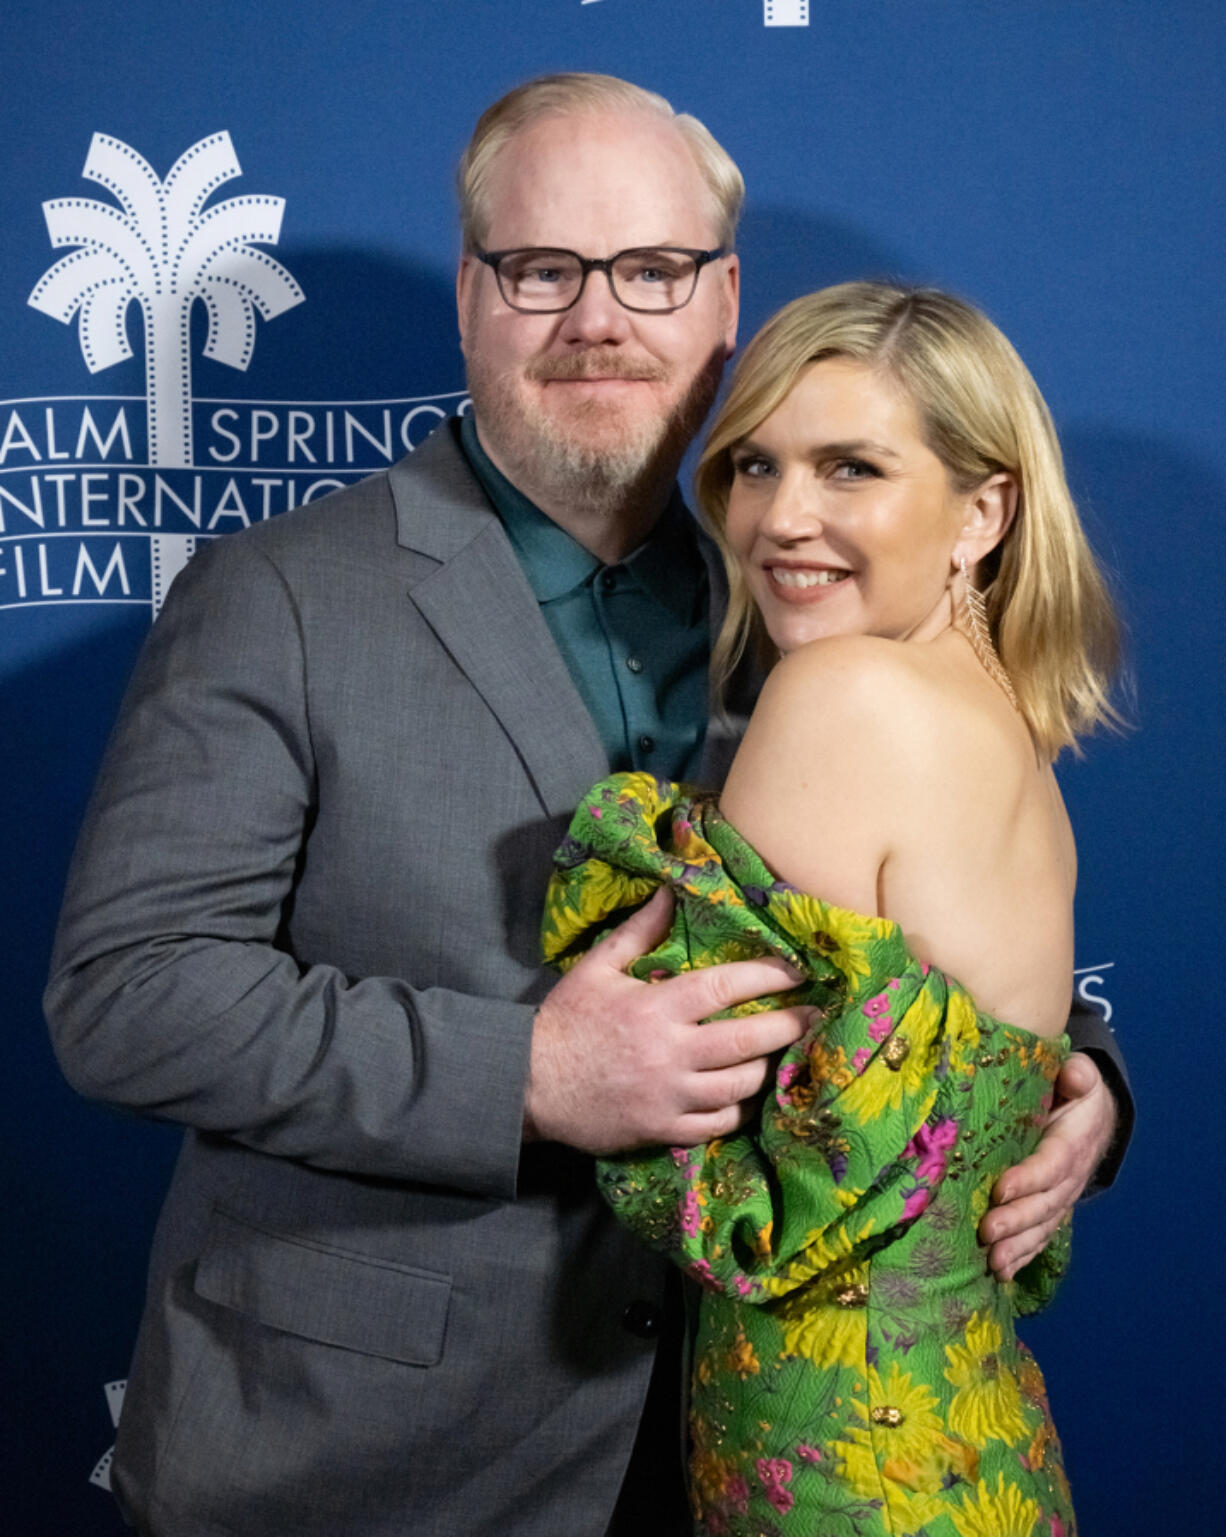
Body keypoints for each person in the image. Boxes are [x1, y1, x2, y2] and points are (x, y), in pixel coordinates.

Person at [44, 76, 1127, 1536]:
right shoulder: (281, 596)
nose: (597, 319)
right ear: (470, 296)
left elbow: (909, 947)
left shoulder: (804, 608)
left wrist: (1081, 1092)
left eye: (652, 271)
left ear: (722, 298)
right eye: (541, 269)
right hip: (367, 1461)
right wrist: (524, 1076)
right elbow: (127, 993)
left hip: (728, 1442)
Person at [544, 281, 1123, 1534]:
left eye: (849, 467)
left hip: (836, 1475)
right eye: (754, 464)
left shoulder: (841, 697)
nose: (777, 517)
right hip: (969, 1442)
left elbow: (701, 1134)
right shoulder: (1010, 735)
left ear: (983, 510)